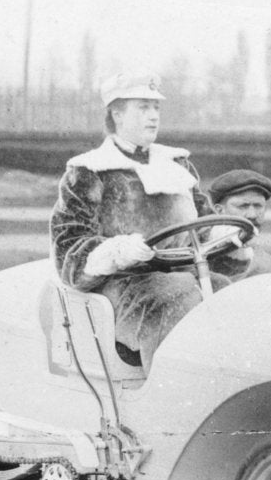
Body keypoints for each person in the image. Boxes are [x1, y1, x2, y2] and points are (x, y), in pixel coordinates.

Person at [50, 72, 225, 372]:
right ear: (116, 113)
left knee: (232, 295)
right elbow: (69, 251)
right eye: (143, 108)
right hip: (122, 285)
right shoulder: (89, 171)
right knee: (175, 300)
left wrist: (226, 236)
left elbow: (203, 224)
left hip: (185, 274)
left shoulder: (176, 163)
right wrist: (116, 251)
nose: (154, 116)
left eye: (156, 108)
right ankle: (172, 397)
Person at [206, 169, 271, 281]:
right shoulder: (190, 251)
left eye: (258, 206)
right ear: (219, 211)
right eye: (243, 206)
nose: (252, 215)